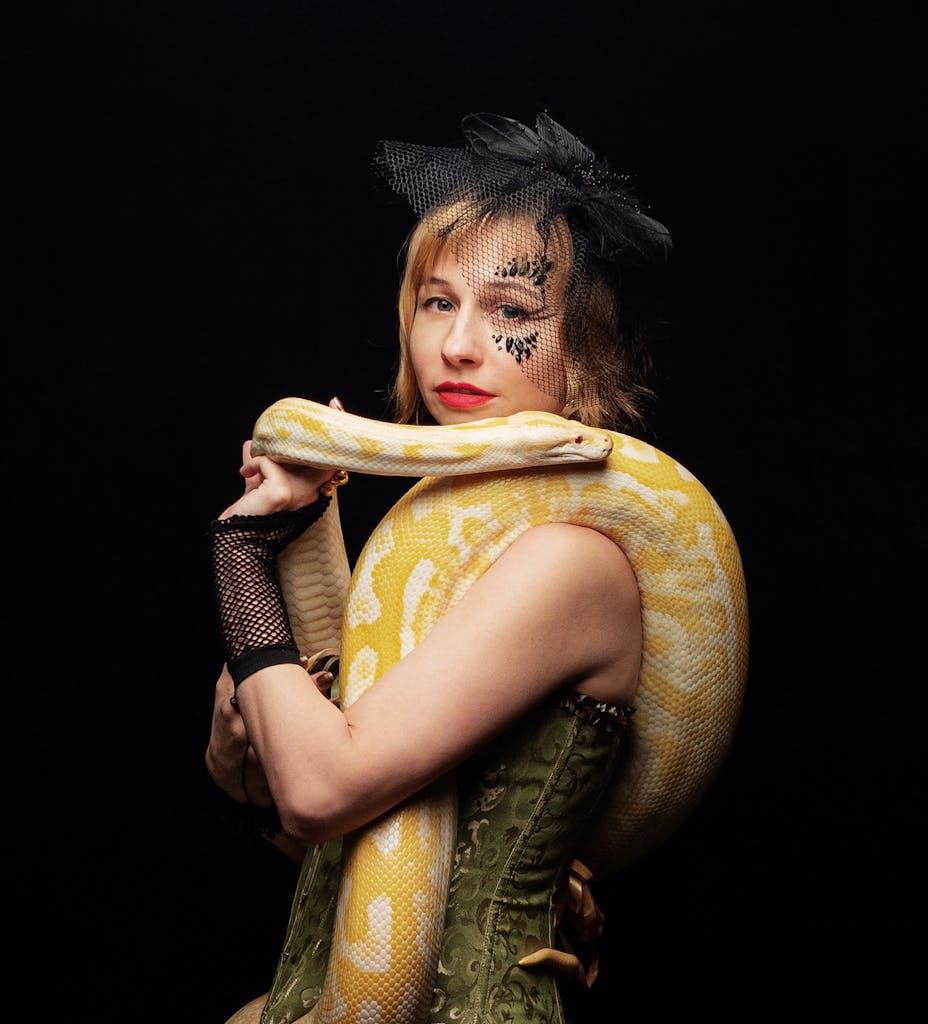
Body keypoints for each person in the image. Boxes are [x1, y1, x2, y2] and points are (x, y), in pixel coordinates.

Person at [206, 111, 673, 1024]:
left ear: (587, 343)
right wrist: (238, 761)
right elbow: (345, 850)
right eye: (437, 301)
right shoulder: (429, 534)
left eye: (513, 311)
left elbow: (320, 790)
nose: (459, 345)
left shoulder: (568, 560)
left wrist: (241, 559)